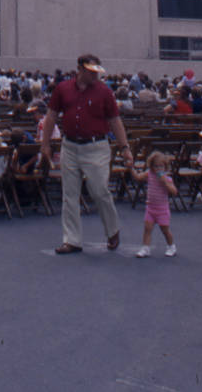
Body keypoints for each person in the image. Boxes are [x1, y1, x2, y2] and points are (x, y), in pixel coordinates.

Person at [40, 53, 133, 254]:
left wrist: (125, 148)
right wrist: (45, 144)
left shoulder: (105, 92)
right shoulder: (62, 89)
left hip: (96, 146)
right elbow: (51, 117)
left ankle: (112, 230)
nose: (95, 76)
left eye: (96, 72)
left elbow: (115, 121)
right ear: (79, 70)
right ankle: (72, 240)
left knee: (99, 190)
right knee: (69, 195)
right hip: (70, 146)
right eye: (91, 72)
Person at [132, 151, 177, 257]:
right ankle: (145, 248)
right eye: (155, 166)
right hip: (150, 207)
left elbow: (174, 191)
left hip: (162, 209)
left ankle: (171, 246)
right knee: (147, 228)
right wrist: (131, 168)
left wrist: (165, 182)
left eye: (161, 166)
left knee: (164, 229)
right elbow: (138, 177)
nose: (158, 169)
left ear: (165, 167)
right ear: (151, 166)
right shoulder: (149, 174)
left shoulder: (167, 178)